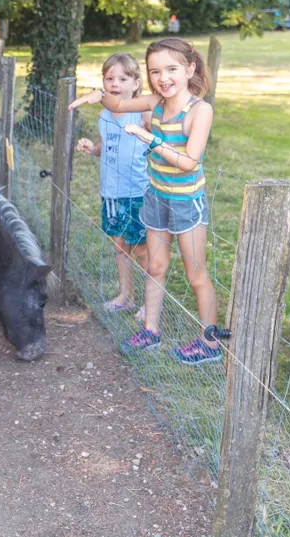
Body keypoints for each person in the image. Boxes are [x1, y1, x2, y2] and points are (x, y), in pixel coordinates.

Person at [69, 38, 220, 365]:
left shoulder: (200, 110)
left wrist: (150, 138)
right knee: (155, 266)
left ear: (190, 68)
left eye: (171, 69)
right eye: (155, 71)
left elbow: (189, 162)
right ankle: (150, 331)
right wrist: (99, 95)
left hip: (186, 203)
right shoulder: (154, 102)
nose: (163, 78)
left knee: (196, 275)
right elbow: (118, 104)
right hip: (156, 197)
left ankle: (210, 343)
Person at [75, 53, 150, 322]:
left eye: (123, 78)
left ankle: (150, 303)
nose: (115, 83)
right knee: (119, 246)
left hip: (136, 193)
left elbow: (157, 142)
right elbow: (104, 146)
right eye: (109, 78)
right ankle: (126, 295)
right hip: (110, 194)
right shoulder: (104, 115)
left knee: (141, 249)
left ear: (136, 84)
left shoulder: (142, 114)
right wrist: (92, 148)